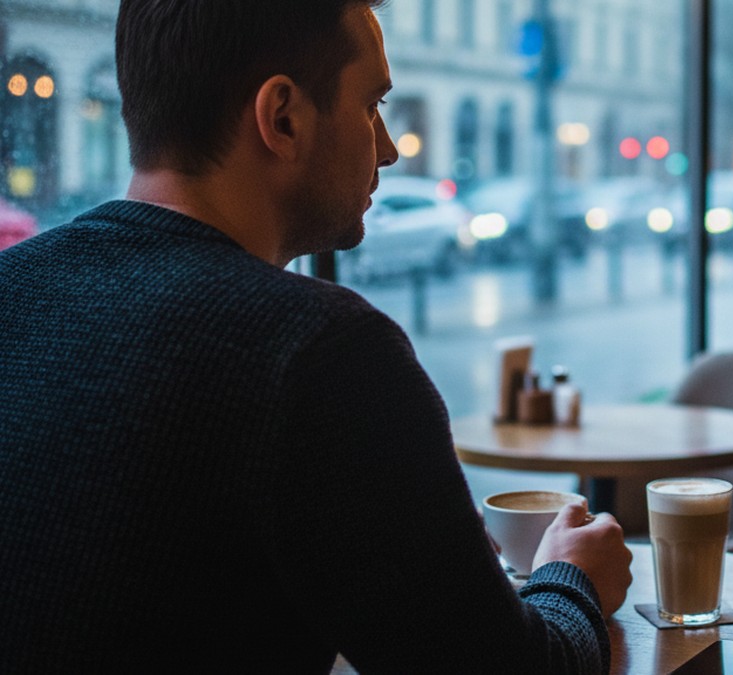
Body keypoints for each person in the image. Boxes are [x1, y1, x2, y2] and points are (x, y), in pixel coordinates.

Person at [0, 1, 631, 672]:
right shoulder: (324, 353)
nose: (387, 147)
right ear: (283, 117)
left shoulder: (12, 287)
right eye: (371, 105)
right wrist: (571, 578)